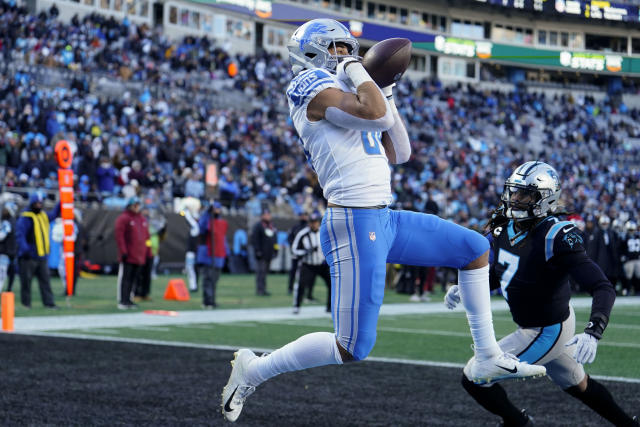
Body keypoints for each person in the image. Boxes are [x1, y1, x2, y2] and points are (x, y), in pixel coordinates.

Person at [221, 19, 545, 423]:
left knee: (475, 250)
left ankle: (487, 356)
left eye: (350, 49)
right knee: (352, 346)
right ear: (310, 52)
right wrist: (362, 72)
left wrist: (386, 85)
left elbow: (402, 150)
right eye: (339, 48)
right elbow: (373, 112)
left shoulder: (347, 90)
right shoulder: (306, 84)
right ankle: (253, 369)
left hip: (382, 216)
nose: (348, 55)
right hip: (354, 222)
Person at [445, 161, 637, 427]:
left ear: (544, 198)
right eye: (513, 192)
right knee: (579, 385)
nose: (515, 199)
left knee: (476, 375)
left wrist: (594, 331)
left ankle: (518, 422)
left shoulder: (556, 235)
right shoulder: (502, 224)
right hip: (545, 324)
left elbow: (602, 286)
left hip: (546, 329)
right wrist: (468, 287)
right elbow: (504, 272)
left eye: (524, 194)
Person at [15, 192, 59, 309]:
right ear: (32, 203)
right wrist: (26, 250)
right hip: (29, 256)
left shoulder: (43, 215)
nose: (39, 205)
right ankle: (26, 304)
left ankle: (49, 303)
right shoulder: (26, 217)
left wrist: (62, 202)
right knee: (26, 282)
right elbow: (20, 235)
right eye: (37, 203)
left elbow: (54, 214)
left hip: (42, 256)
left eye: (41, 203)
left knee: (45, 281)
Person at [291, 211, 331, 314]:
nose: (313, 224)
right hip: (308, 264)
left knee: (332, 284)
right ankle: (297, 306)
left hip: (322, 264)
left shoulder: (324, 232)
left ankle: (330, 307)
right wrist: (306, 251)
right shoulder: (303, 234)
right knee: (301, 285)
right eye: (311, 222)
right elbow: (294, 249)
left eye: (315, 222)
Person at [114, 197, 150, 309]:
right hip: (129, 254)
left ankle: (129, 299)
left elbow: (146, 237)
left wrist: (148, 252)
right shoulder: (124, 218)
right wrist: (123, 251)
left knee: (134, 279)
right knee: (126, 278)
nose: (137, 207)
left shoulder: (142, 219)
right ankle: (123, 300)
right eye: (135, 205)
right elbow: (119, 236)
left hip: (139, 255)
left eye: (138, 205)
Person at [198, 201, 228, 308]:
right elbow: (201, 227)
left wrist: (226, 252)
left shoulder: (221, 223)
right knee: (208, 278)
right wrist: (207, 213)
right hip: (208, 255)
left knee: (215, 279)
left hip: (218, 255)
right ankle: (207, 300)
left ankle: (212, 299)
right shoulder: (207, 221)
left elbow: (223, 238)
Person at [250, 207, 277, 296]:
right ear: (262, 216)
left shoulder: (272, 226)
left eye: (269, 215)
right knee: (260, 273)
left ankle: (264, 289)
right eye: (266, 215)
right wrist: (257, 251)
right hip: (261, 254)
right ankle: (260, 290)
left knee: (265, 273)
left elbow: (274, 239)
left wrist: (276, 250)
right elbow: (255, 239)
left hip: (269, 254)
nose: (268, 216)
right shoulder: (258, 226)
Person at [287, 211, 308, 295]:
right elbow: (290, 238)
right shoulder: (295, 227)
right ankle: (290, 288)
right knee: (293, 271)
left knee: (305, 272)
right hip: (296, 253)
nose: (303, 217)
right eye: (302, 215)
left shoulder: (308, 227)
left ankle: (304, 288)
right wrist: (293, 248)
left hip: (306, 253)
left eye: (305, 215)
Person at [0, 202, 17, 291]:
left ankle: (9, 290)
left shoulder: (8, 222)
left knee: (7, 274)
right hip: (6, 252)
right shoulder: (9, 222)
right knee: (3, 275)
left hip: (8, 252)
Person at [621, 220, 640, 296]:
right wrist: (623, 256)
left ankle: (638, 290)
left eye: (632, 229)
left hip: (637, 259)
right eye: (630, 230)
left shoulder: (637, 236)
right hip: (629, 260)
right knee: (628, 276)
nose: (631, 231)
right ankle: (627, 290)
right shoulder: (624, 237)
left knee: (638, 276)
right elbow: (621, 248)